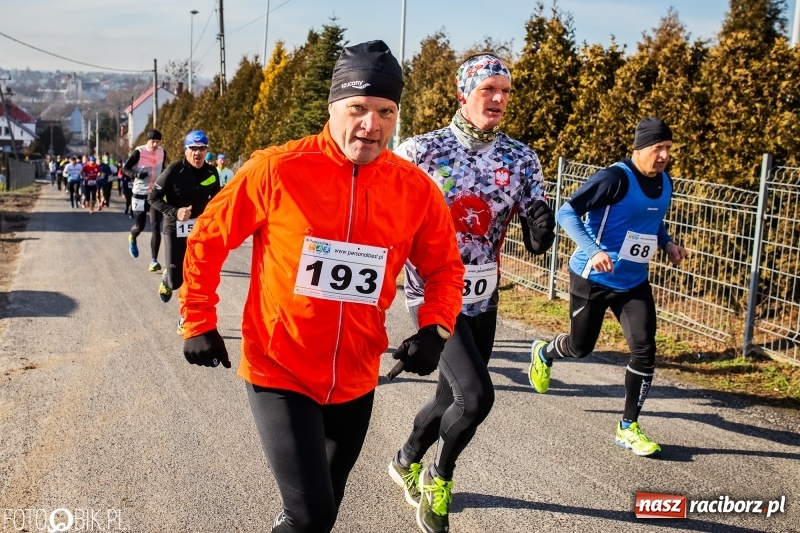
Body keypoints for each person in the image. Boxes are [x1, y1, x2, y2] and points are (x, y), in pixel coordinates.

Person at [178, 40, 465, 533]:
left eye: (385, 111)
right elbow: (208, 236)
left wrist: (437, 329)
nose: (370, 124)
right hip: (280, 368)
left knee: (322, 511)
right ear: (332, 107)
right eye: (357, 108)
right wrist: (198, 320)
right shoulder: (278, 169)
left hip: (355, 375)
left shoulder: (413, 188)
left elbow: (444, 267)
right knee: (309, 515)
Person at [388, 53, 555, 533]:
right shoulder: (421, 152)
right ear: (465, 93)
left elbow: (532, 222)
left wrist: (539, 230)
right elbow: (389, 221)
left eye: (505, 90)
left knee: (450, 397)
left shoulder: (521, 158)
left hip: (482, 294)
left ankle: (405, 459)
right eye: (489, 89)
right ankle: (440, 480)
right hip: (433, 292)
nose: (499, 99)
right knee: (478, 397)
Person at [528, 116, 687, 457]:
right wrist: (594, 250)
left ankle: (628, 427)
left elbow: (651, 221)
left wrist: (668, 243)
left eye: (668, 149)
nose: (663, 156)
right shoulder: (615, 178)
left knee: (645, 348)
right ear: (640, 148)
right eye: (658, 148)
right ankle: (544, 352)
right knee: (580, 347)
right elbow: (566, 213)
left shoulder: (664, 183)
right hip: (593, 278)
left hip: (633, 282)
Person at [148, 130, 221, 313]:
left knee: (195, 277)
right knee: (175, 282)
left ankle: (185, 317)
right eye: (193, 148)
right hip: (174, 229)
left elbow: (217, 199)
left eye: (202, 148)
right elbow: (153, 197)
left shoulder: (212, 172)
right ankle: (167, 277)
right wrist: (175, 212)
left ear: (206, 150)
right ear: (186, 150)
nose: (198, 153)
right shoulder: (173, 170)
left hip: (198, 230)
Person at [123, 129, 168, 271]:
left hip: (155, 194)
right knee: (140, 226)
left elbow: (163, 168)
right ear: (147, 141)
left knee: (156, 226)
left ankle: (154, 261)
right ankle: (132, 237)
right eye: (152, 142)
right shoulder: (139, 152)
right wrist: (136, 174)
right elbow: (125, 169)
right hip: (139, 193)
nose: (155, 145)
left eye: (157, 142)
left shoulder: (162, 152)